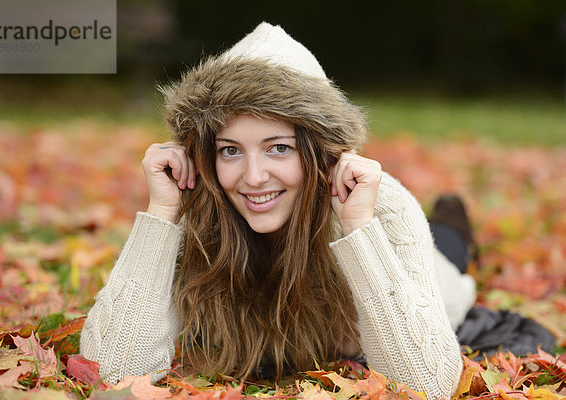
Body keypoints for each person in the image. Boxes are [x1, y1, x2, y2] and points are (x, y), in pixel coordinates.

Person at [80, 22, 474, 399]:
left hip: (432, 277)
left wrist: (357, 226)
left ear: (320, 152)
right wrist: (163, 212)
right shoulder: (196, 201)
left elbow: (428, 385)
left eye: (279, 147)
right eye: (230, 150)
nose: (253, 177)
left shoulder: (377, 207)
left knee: (449, 258)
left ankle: (453, 217)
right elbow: (112, 373)